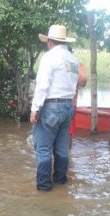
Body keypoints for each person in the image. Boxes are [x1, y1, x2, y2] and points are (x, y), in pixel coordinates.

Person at [30, 25, 79, 192]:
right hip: (68, 106)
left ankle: (44, 186)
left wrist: (35, 108)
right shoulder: (72, 59)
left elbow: (42, 85)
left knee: (43, 149)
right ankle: (60, 180)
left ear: (49, 41)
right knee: (61, 148)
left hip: (51, 106)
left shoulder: (50, 57)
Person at [68, 46, 87, 150]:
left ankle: (67, 155)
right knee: (68, 130)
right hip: (68, 103)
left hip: (70, 103)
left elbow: (83, 82)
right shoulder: (55, 62)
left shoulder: (76, 65)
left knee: (69, 130)